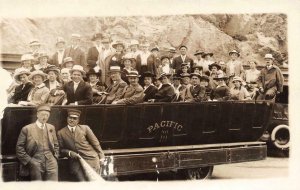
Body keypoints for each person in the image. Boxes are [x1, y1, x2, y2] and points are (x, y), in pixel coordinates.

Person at [57, 109, 105, 181]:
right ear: (67, 118)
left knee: (93, 182)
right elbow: (60, 149)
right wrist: (69, 153)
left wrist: (101, 156)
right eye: (70, 118)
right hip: (76, 162)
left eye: (74, 118)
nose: (72, 120)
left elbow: (95, 143)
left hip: (90, 159)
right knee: (82, 183)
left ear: (78, 120)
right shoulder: (61, 132)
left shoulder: (85, 128)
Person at [16, 105, 59, 181]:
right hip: (35, 160)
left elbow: (56, 144)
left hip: (51, 161)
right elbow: (19, 148)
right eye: (42, 115)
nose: (45, 117)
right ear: (37, 115)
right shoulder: (27, 129)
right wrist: (30, 161)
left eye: (47, 115)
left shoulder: (51, 127)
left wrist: (55, 156)